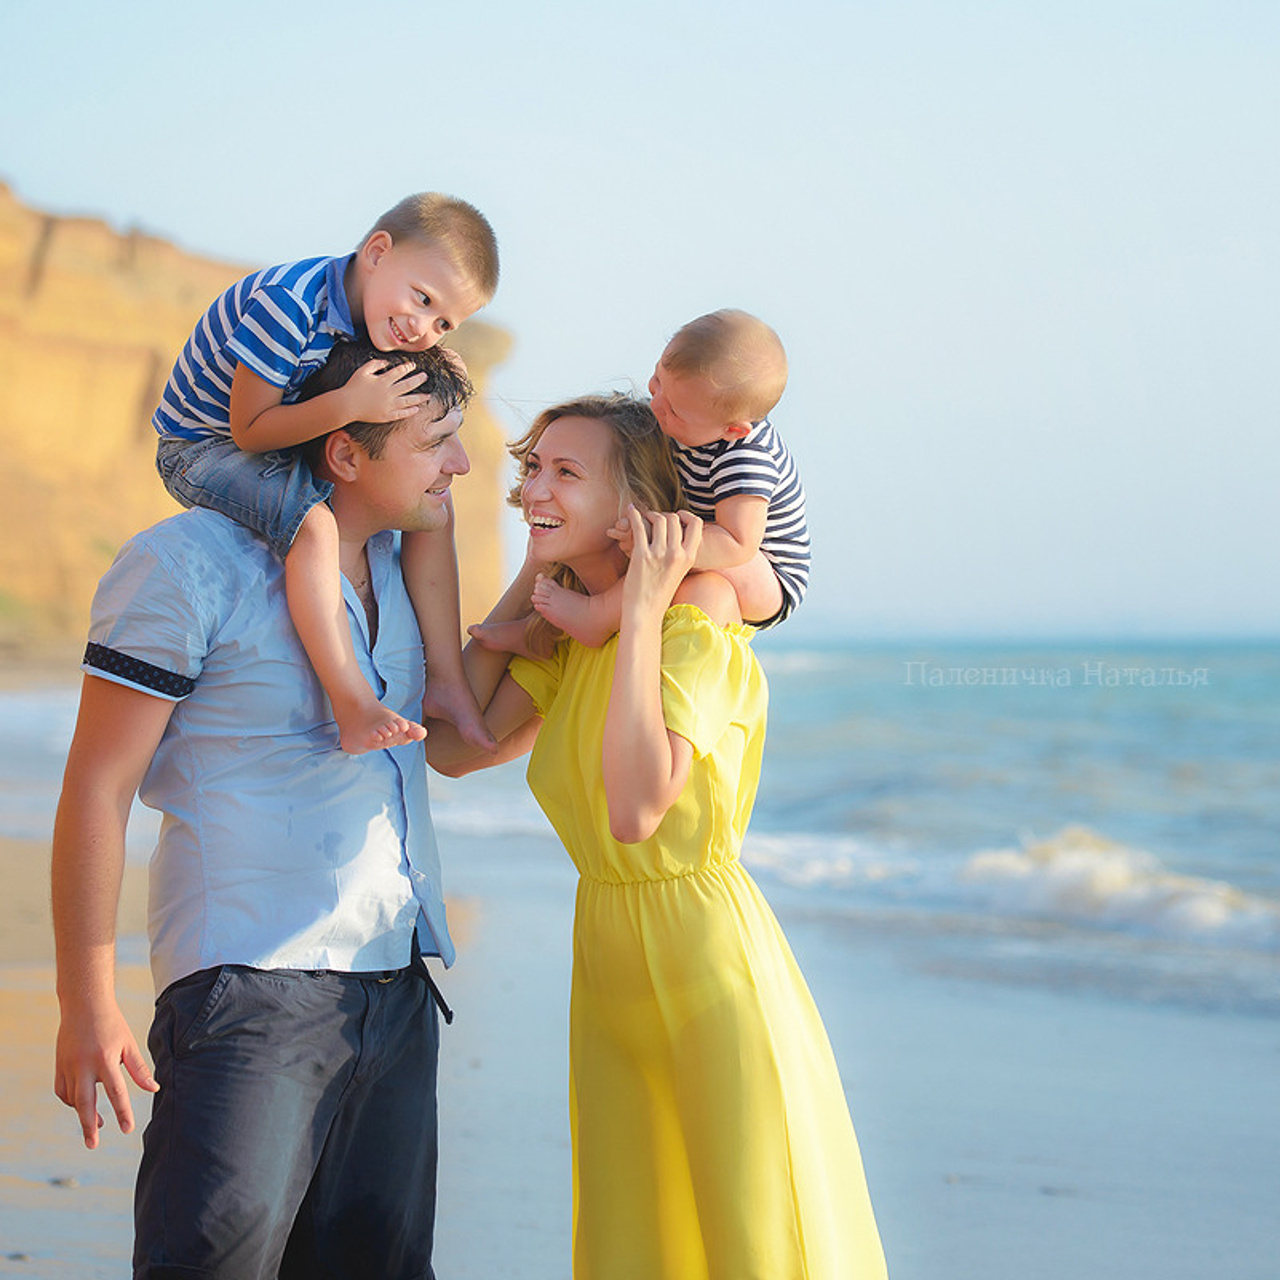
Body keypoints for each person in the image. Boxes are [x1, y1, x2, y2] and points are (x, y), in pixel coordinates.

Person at [428, 394, 885, 1278]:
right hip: (609, 965)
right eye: (532, 471)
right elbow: (452, 744)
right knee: (640, 1243)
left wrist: (637, 612)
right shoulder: (573, 638)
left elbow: (638, 812)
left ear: (638, 510)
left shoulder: (694, 624)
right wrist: (539, 565)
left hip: (708, 963)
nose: (534, 489)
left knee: (762, 1239)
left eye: (566, 474)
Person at [53, 338, 468, 1279]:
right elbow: (97, 786)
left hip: (398, 984)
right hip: (248, 989)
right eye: (438, 440)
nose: (462, 464)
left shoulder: (408, 570)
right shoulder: (184, 562)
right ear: (346, 452)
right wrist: (87, 1003)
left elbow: (456, 742)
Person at [153, 191, 499, 754]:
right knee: (314, 526)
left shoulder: (377, 311)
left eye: (444, 322)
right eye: (423, 298)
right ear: (377, 251)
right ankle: (353, 703)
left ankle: (447, 681)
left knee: (433, 502)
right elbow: (250, 430)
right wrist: (348, 406)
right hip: (204, 445)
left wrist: (437, 367)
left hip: (284, 431)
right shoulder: (289, 305)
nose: (424, 327)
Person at [474, 310, 810, 658]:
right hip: (708, 533)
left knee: (662, 559)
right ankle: (542, 634)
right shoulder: (693, 415)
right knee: (602, 544)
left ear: (733, 429)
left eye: (675, 411)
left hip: (766, 574)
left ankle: (596, 615)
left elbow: (739, 543)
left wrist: (658, 543)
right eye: (656, 383)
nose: (657, 406)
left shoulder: (744, 458)